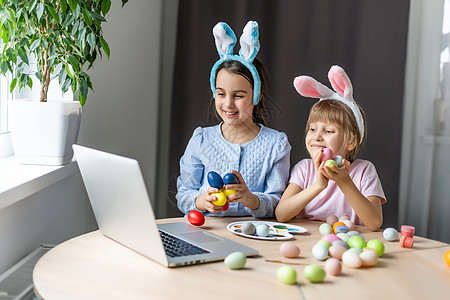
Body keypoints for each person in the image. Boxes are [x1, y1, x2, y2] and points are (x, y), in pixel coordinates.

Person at [176, 21, 291, 218]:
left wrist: (251, 199)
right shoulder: (201, 139)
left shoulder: (276, 144)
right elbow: (183, 194)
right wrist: (202, 201)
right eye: (221, 94)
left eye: (238, 96)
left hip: (252, 235)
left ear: (257, 97)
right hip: (208, 230)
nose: (228, 104)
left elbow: (278, 203)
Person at [275, 65, 385, 231]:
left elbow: (375, 223)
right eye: (312, 129)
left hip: (347, 244)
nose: (317, 136)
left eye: (328, 131)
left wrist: (345, 181)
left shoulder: (364, 171)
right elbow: (281, 214)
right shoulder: (304, 169)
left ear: (351, 141)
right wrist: (319, 185)